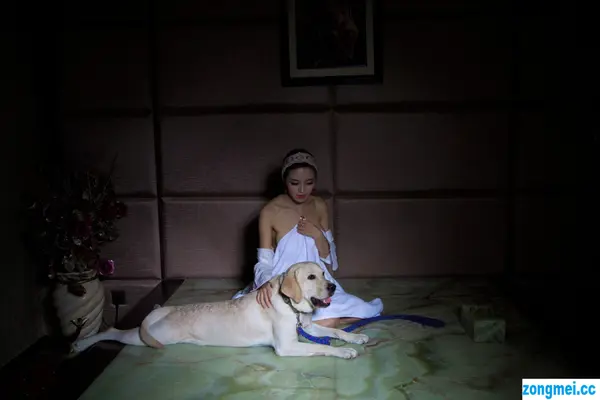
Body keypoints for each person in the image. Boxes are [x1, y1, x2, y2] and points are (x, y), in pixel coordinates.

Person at [232, 149, 383, 328]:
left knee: (364, 311)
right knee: (325, 320)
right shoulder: (270, 211)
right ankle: (305, 323)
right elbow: (264, 261)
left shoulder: (319, 206)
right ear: (285, 181)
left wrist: (317, 234)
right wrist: (266, 283)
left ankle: (306, 323)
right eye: (294, 183)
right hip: (286, 283)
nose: (302, 190)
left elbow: (328, 258)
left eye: (309, 183)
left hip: (316, 282)